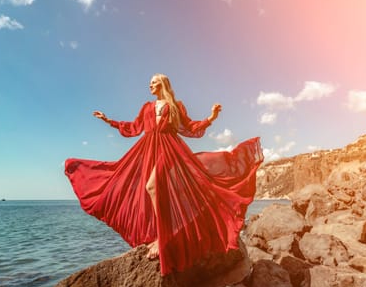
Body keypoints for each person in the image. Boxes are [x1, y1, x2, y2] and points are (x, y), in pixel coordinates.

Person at [65, 73, 263, 275]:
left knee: (153, 186)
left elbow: (189, 127)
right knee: (140, 185)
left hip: (169, 149)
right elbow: (134, 127)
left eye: (154, 82)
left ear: (163, 84)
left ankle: (162, 237)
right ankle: (159, 233)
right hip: (148, 149)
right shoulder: (146, 107)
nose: (150, 85)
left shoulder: (176, 105)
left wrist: (211, 117)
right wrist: (109, 121)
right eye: (150, 82)